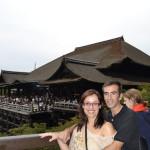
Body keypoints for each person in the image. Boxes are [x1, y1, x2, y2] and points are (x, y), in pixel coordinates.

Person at [41, 81, 143, 150]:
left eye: (113, 93)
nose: (109, 97)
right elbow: (84, 123)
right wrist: (65, 132)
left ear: (120, 96)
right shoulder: (108, 115)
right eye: (106, 93)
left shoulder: (130, 117)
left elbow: (115, 146)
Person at [40, 89, 116, 150]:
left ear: (100, 106)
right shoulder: (78, 128)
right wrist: (59, 138)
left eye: (95, 103)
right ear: (83, 106)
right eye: (87, 103)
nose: (91, 107)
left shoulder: (106, 127)